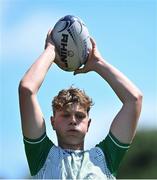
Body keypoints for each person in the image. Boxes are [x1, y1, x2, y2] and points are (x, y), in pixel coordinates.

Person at [18, 29, 143, 179]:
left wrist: (98, 64)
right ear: (53, 122)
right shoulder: (41, 156)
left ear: (88, 124)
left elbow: (134, 99)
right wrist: (51, 51)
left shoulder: (106, 159)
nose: (73, 120)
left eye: (79, 116)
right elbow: (27, 89)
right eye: (65, 115)